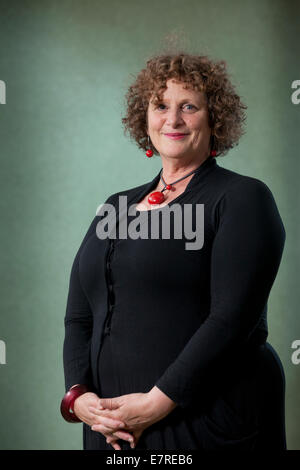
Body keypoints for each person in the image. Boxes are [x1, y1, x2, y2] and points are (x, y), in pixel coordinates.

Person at [61, 53, 287, 450]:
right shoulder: (115, 206)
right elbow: (79, 318)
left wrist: (154, 404)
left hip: (207, 423)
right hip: (113, 432)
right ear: (144, 117)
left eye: (189, 106)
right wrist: (79, 398)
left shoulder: (242, 199)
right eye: (160, 106)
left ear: (213, 117)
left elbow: (232, 321)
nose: (173, 120)